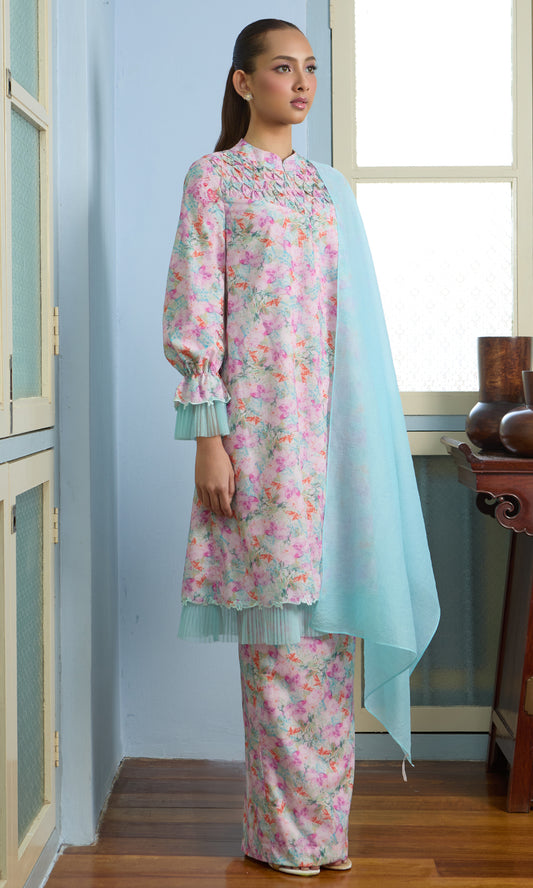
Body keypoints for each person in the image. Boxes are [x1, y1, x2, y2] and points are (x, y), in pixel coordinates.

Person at [163, 18, 440, 877]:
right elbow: (196, 313)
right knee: (279, 641)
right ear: (243, 82)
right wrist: (209, 440)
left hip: (336, 441)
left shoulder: (330, 190)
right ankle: (284, 838)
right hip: (258, 442)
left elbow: (353, 323)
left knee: (328, 638)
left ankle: (320, 836)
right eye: (282, 68)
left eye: (309, 68)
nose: (301, 82)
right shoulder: (213, 179)